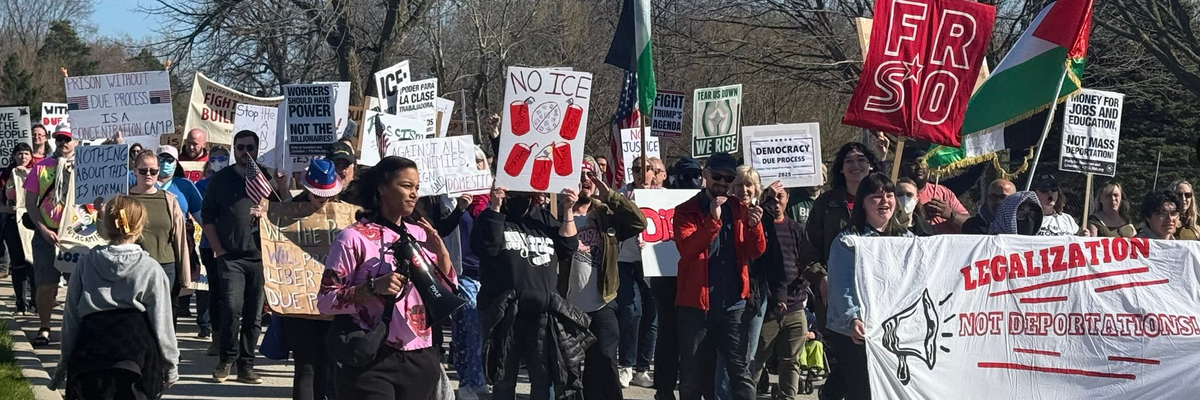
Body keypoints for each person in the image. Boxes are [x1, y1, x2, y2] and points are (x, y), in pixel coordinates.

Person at [50, 195, 179, 399]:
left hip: (91, 345)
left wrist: (64, 362)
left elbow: (71, 316)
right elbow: (162, 321)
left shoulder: (85, 263)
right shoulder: (151, 269)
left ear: (105, 225)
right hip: (135, 349)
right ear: (140, 226)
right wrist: (170, 364)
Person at [474, 180, 584, 400]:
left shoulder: (543, 218)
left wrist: (568, 209)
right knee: (504, 380)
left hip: (542, 313)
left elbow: (567, 247)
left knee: (543, 381)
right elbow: (487, 247)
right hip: (505, 313)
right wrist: (495, 205)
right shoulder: (491, 217)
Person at [673, 152, 766, 400]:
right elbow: (687, 249)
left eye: (728, 178)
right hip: (695, 304)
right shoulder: (686, 211)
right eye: (717, 176)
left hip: (732, 303)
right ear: (705, 174)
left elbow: (754, 251)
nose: (723, 183)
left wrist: (755, 226)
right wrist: (712, 221)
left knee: (739, 371)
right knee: (692, 377)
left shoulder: (739, 209)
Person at [201, 130, 284, 383]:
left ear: (257, 149)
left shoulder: (267, 177)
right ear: (233, 149)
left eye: (250, 147)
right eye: (239, 147)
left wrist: (274, 199)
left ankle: (246, 365)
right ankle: (226, 359)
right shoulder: (221, 179)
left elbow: (287, 215)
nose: (244, 151)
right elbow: (207, 217)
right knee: (230, 307)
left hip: (260, 257)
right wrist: (219, 249)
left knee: (253, 314)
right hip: (231, 257)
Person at [825, 172, 912, 400]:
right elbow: (841, 285)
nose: (885, 201)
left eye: (890, 196)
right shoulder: (848, 242)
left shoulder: (909, 240)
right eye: (876, 196)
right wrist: (852, 318)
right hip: (859, 332)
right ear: (862, 202)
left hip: (896, 330)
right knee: (862, 391)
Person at [568, 156, 647, 400]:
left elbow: (639, 222)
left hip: (601, 302)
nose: (585, 182)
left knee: (604, 360)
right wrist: (563, 208)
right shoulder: (557, 212)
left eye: (590, 176)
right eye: (580, 177)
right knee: (568, 368)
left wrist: (610, 195)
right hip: (566, 304)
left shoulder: (606, 215)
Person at [278, 159, 343, 400]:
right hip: (299, 299)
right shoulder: (286, 211)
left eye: (327, 195)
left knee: (328, 364)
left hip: (332, 300)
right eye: (318, 195)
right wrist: (261, 220)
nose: (323, 200)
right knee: (305, 366)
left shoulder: (344, 213)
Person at [805, 143, 881, 339]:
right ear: (841, 168)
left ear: (871, 165)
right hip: (837, 293)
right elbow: (809, 248)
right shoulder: (826, 204)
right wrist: (821, 277)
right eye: (849, 161)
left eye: (861, 160)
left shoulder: (886, 201)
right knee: (842, 356)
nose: (855, 165)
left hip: (878, 291)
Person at [749, 183, 812, 400]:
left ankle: (788, 396)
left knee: (791, 361)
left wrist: (801, 284)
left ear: (788, 199)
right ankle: (746, 394)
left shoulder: (796, 229)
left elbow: (806, 262)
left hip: (795, 307)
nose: (776, 202)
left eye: (780, 197)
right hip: (766, 307)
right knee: (756, 359)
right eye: (770, 197)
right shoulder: (758, 227)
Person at [715, 166, 771, 400]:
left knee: (747, 355)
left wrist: (753, 226)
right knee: (728, 356)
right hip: (730, 292)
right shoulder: (722, 211)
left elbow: (758, 251)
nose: (744, 189)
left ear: (756, 188)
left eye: (749, 185)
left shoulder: (760, 214)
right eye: (739, 184)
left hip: (756, 294)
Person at [26, 121, 77, 346]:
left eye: (67, 139)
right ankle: (44, 327)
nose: (63, 143)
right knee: (46, 284)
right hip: (47, 234)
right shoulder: (41, 167)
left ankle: (74, 328)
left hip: (76, 236)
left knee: (77, 285)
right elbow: (30, 204)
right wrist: (44, 230)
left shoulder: (85, 168)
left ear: (76, 141)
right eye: (59, 139)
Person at [128, 151, 191, 318]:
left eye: (153, 171)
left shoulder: (169, 200)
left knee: (163, 317)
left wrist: (184, 273)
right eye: (143, 171)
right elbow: (110, 234)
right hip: (135, 267)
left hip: (165, 267)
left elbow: (179, 238)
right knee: (138, 317)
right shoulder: (125, 199)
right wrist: (102, 213)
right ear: (135, 171)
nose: (148, 174)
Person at [452, 149, 492, 400]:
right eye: (470, 162)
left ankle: (478, 375)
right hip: (463, 272)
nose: (475, 166)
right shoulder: (455, 197)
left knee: (485, 330)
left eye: (479, 161)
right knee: (469, 324)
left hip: (490, 273)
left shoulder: (496, 199)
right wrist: (459, 207)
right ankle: (470, 381)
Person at [616, 155, 655, 387]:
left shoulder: (661, 195)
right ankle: (626, 365)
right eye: (637, 168)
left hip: (652, 262)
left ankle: (642, 367)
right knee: (632, 310)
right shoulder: (622, 195)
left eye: (647, 168)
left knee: (651, 314)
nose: (642, 173)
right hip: (626, 260)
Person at [194, 146, 230, 345]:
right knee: (214, 291)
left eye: (222, 158)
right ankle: (216, 333)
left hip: (232, 244)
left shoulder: (235, 181)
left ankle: (229, 332)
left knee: (230, 293)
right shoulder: (201, 185)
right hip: (209, 244)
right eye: (215, 158)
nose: (219, 161)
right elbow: (202, 213)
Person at [897, 146, 968, 234]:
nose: (920, 167)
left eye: (924, 162)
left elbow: (970, 224)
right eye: (914, 163)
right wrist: (921, 215)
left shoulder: (943, 192)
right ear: (902, 166)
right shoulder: (894, 193)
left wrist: (951, 215)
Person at [1, 143, 34, 313]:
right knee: (18, 263)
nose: (23, 157)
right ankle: (21, 303)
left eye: (26, 153)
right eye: (20, 153)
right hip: (13, 223)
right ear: (14, 156)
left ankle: (35, 301)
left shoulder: (38, 172)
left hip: (33, 222)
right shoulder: (5, 174)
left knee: (34, 263)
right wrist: (6, 209)